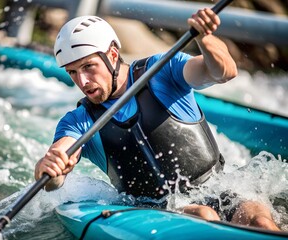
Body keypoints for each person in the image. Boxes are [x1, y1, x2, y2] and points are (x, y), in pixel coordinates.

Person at [35, 8, 280, 231]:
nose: (82, 81)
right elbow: (55, 169)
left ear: (112, 54)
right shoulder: (78, 120)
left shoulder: (163, 71)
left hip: (219, 187)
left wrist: (205, 39)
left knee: (261, 222)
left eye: (88, 66)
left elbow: (223, 72)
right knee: (204, 216)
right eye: (73, 72)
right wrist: (51, 168)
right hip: (154, 210)